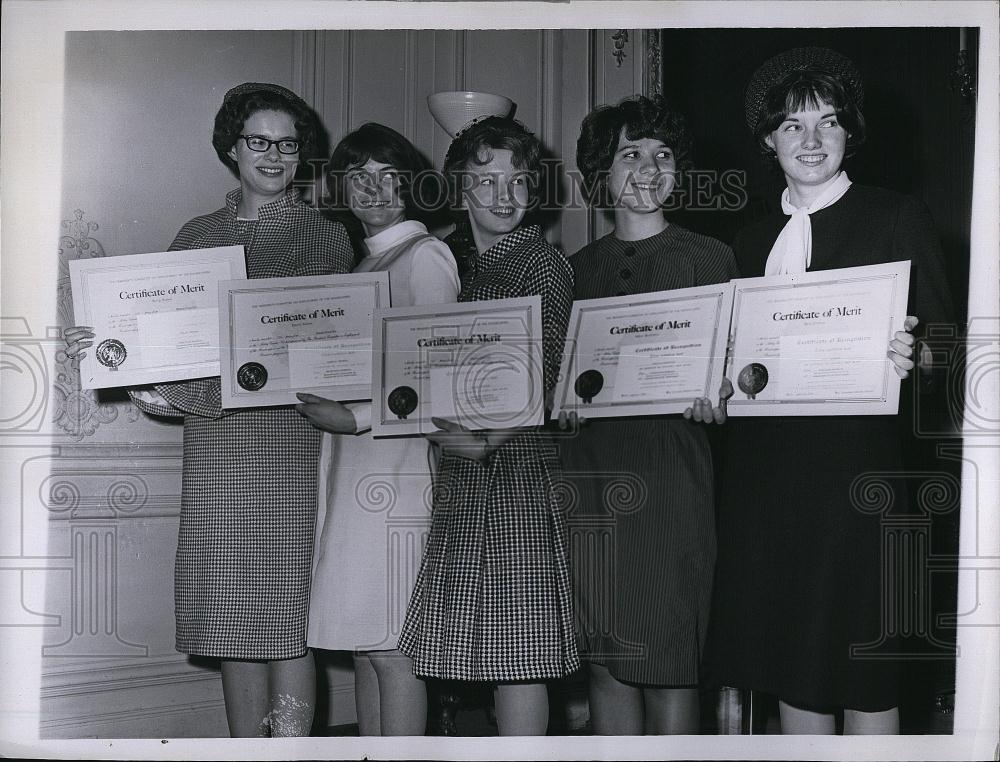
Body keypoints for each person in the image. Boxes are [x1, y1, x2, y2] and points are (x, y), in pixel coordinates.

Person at [64, 82, 354, 737]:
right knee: (231, 623)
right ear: (231, 147)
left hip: (289, 444)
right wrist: (110, 348)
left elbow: (314, 351)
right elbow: (160, 360)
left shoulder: (326, 235)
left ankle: (290, 751)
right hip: (217, 451)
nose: (274, 155)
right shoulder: (197, 236)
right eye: (260, 141)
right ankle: (246, 753)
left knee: (284, 626)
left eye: (287, 143)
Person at [705, 47, 954, 734]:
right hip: (766, 485)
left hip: (857, 482)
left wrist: (919, 353)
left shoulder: (895, 217)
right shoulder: (749, 240)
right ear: (767, 139)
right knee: (792, 667)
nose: (811, 141)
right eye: (792, 125)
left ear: (851, 133)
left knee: (864, 673)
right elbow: (742, 367)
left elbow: (951, 349)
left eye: (829, 122)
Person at [556, 95, 737, 735]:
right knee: (606, 660)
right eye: (630, 154)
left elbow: (741, 377)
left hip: (671, 483)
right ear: (599, 174)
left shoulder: (713, 259)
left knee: (670, 663)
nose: (648, 168)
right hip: (589, 484)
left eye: (662, 155)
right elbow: (552, 387)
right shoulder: (571, 273)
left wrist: (725, 399)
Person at [397, 116, 580, 736]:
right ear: (460, 187)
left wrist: (479, 441)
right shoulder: (458, 264)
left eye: (519, 181)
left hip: (517, 470)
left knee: (521, 652)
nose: (504, 196)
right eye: (486, 180)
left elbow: (547, 368)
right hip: (464, 471)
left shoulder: (542, 263)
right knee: (482, 647)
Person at [295, 122, 460, 735]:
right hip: (351, 470)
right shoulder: (363, 261)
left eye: (387, 174)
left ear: (410, 183)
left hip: (398, 473)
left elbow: (438, 374)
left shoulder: (426, 255)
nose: (371, 188)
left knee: (393, 647)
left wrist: (355, 416)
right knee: (366, 643)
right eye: (357, 175)